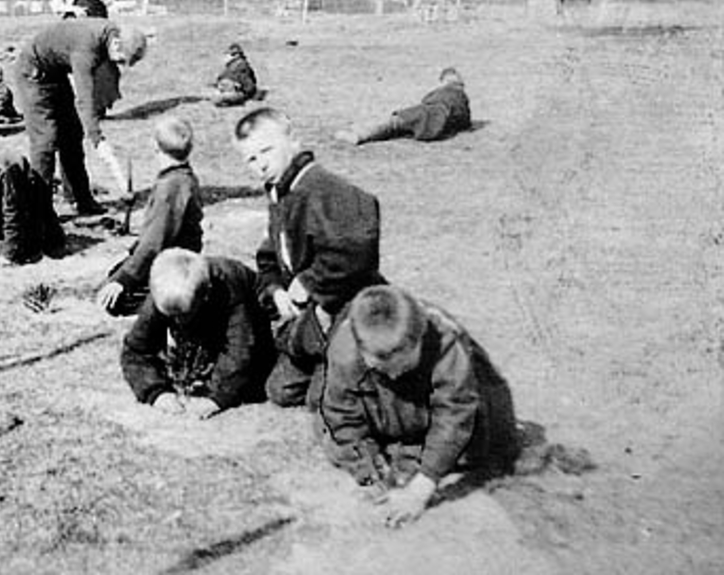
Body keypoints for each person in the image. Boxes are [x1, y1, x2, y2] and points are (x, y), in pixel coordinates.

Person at [322, 285, 520, 528]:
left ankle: (419, 452)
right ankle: (407, 448)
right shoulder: (345, 350)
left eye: (402, 365)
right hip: (383, 401)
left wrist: (422, 486)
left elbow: (455, 412)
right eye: (382, 368)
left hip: (439, 397)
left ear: (420, 339)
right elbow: (341, 414)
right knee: (334, 440)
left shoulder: (445, 344)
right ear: (362, 351)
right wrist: (367, 472)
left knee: (487, 442)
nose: (394, 375)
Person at [232, 107, 386, 414]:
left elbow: (358, 246)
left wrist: (309, 281)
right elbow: (270, 256)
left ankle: (365, 366)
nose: (261, 164)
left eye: (267, 150)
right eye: (251, 158)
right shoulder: (281, 193)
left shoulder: (322, 187)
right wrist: (275, 290)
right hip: (312, 314)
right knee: (279, 390)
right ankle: (325, 359)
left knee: (325, 402)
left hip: (348, 305)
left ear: (293, 141)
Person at [13, 17, 147, 215]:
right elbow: (84, 98)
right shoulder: (88, 48)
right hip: (33, 74)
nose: (116, 64)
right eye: (119, 60)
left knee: (72, 134)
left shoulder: (109, 36)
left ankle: (80, 199)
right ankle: (39, 211)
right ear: (117, 44)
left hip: (55, 73)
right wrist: (96, 137)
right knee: (45, 141)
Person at [121, 249, 276, 418]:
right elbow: (135, 350)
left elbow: (240, 350)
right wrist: (156, 394)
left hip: (252, 321)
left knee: (255, 381)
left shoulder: (232, 288)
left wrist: (216, 399)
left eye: (183, 315)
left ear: (204, 294)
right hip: (203, 315)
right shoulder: (163, 291)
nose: (178, 322)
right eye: (172, 316)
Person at [97, 115, 204, 316]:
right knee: (113, 277)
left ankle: (173, 304)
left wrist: (125, 279)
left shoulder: (171, 187)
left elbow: (154, 243)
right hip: (171, 256)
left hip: (175, 263)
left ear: (156, 147)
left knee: (116, 299)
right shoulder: (179, 177)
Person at [335, 67, 471, 145]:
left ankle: (360, 135)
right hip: (440, 121)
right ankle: (361, 131)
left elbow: (427, 101)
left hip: (430, 113)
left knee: (395, 121)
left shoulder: (446, 92)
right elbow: (464, 122)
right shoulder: (461, 99)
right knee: (398, 128)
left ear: (444, 81)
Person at [213, 43, 259, 107]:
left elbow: (249, 86)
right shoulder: (230, 66)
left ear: (235, 55)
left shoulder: (242, 67)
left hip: (236, 93)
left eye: (228, 55)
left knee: (218, 98)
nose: (225, 57)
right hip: (226, 91)